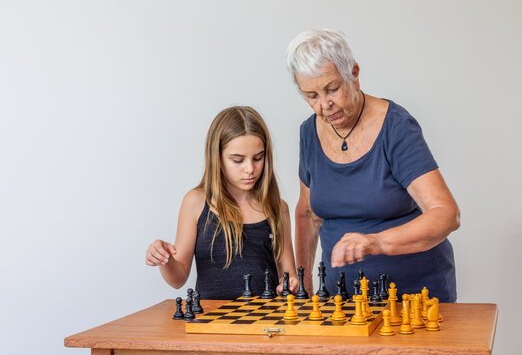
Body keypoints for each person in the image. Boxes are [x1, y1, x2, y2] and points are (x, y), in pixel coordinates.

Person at [287, 30, 460, 302]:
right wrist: (305, 283)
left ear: (353, 73)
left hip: (413, 296)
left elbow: (446, 214)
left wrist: (376, 242)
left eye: (332, 88)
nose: (324, 105)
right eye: (312, 96)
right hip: (340, 298)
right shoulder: (309, 133)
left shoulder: (396, 127)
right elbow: (308, 214)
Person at [145, 106, 298, 299]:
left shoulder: (277, 208)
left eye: (258, 158)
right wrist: (164, 258)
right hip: (211, 323)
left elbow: (289, 276)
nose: (250, 169)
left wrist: (289, 284)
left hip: (264, 323)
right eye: (238, 160)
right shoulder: (196, 203)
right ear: (217, 158)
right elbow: (178, 279)